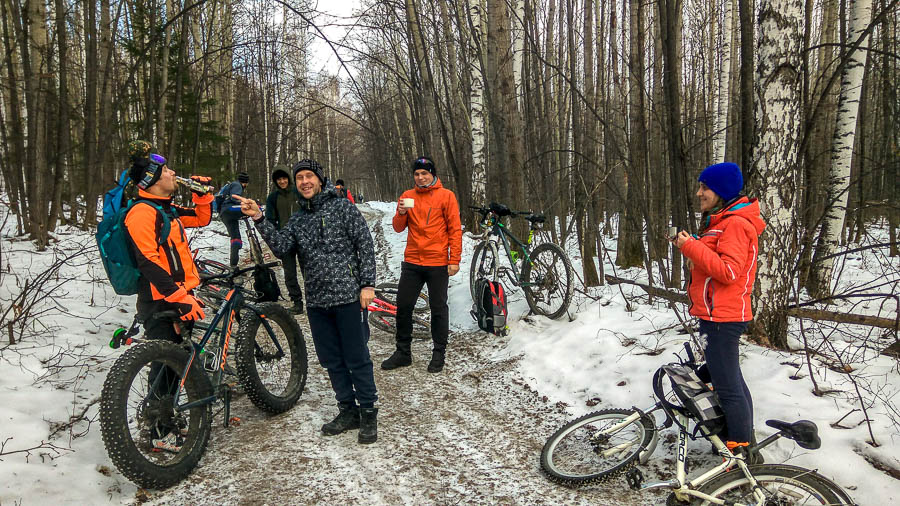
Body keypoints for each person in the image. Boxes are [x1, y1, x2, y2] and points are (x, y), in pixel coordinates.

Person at [234, 159, 380, 444]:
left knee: (357, 357)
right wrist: (259, 218)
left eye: (309, 176)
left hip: (348, 296)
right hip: (317, 302)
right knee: (331, 360)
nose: (304, 182)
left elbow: (365, 244)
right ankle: (347, 410)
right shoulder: (298, 219)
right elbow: (281, 246)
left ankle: (369, 412)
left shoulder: (343, 207)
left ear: (320, 179)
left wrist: (368, 285)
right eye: (299, 177)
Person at [670, 161, 766, 461]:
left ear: (721, 190)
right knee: (729, 379)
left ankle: (740, 453)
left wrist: (691, 247)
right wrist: (695, 245)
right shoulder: (722, 220)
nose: (699, 193)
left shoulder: (736, 224)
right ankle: (743, 441)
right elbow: (716, 260)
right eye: (700, 186)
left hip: (724, 318)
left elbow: (729, 271)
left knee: (728, 388)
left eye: (705, 187)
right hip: (715, 316)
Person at [123, 142, 214, 452]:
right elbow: (148, 262)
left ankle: (171, 421)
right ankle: (157, 432)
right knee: (163, 366)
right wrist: (178, 297)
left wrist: (202, 196)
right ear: (152, 179)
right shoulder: (140, 213)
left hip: (179, 295)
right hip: (160, 301)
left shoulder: (167, 210)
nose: (174, 172)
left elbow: (201, 220)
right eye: (166, 170)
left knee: (177, 362)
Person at [381, 156, 462, 374]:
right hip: (413, 262)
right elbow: (398, 228)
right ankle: (403, 352)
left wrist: (454, 259)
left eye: (424, 173)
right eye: (417, 174)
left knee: (438, 309)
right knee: (404, 307)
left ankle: (439, 353)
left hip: (437, 262)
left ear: (433, 174)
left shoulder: (447, 196)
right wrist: (401, 213)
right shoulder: (408, 196)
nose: (420, 177)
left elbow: (455, 229)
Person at [264, 165, 304, 314]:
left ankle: (314, 300)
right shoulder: (273, 197)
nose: (282, 181)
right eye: (279, 179)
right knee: (289, 273)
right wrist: (276, 234)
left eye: (284, 178)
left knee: (309, 270)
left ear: (289, 178)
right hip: (285, 239)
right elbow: (269, 218)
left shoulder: (299, 192)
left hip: (303, 237)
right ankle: (297, 302)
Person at [219, 172, 250, 267]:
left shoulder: (231, 185)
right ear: (245, 182)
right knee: (252, 208)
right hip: (229, 209)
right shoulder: (237, 185)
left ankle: (233, 266)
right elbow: (235, 198)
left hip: (224, 214)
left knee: (235, 238)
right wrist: (246, 203)